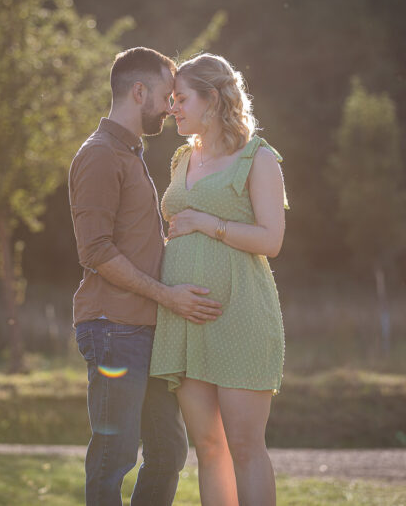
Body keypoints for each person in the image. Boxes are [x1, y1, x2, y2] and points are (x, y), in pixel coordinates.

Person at [68, 47, 224, 506]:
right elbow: (96, 251)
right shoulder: (100, 154)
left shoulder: (129, 153)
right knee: (115, 453)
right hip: (113, 327)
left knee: (168, 450)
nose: (172, 107)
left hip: (146, 327)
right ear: (139, 92)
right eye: (165, 96)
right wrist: (167, 295)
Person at [150, 53, 288, 506]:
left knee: (245, 447)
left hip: (240, 316)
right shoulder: (181, 159)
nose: (172, 108)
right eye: (171, 100)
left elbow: (271, 240)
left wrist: (208, 224)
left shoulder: (257, 157)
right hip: (186, 320)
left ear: (211, 99)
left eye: (181, 99)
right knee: (209, 449)